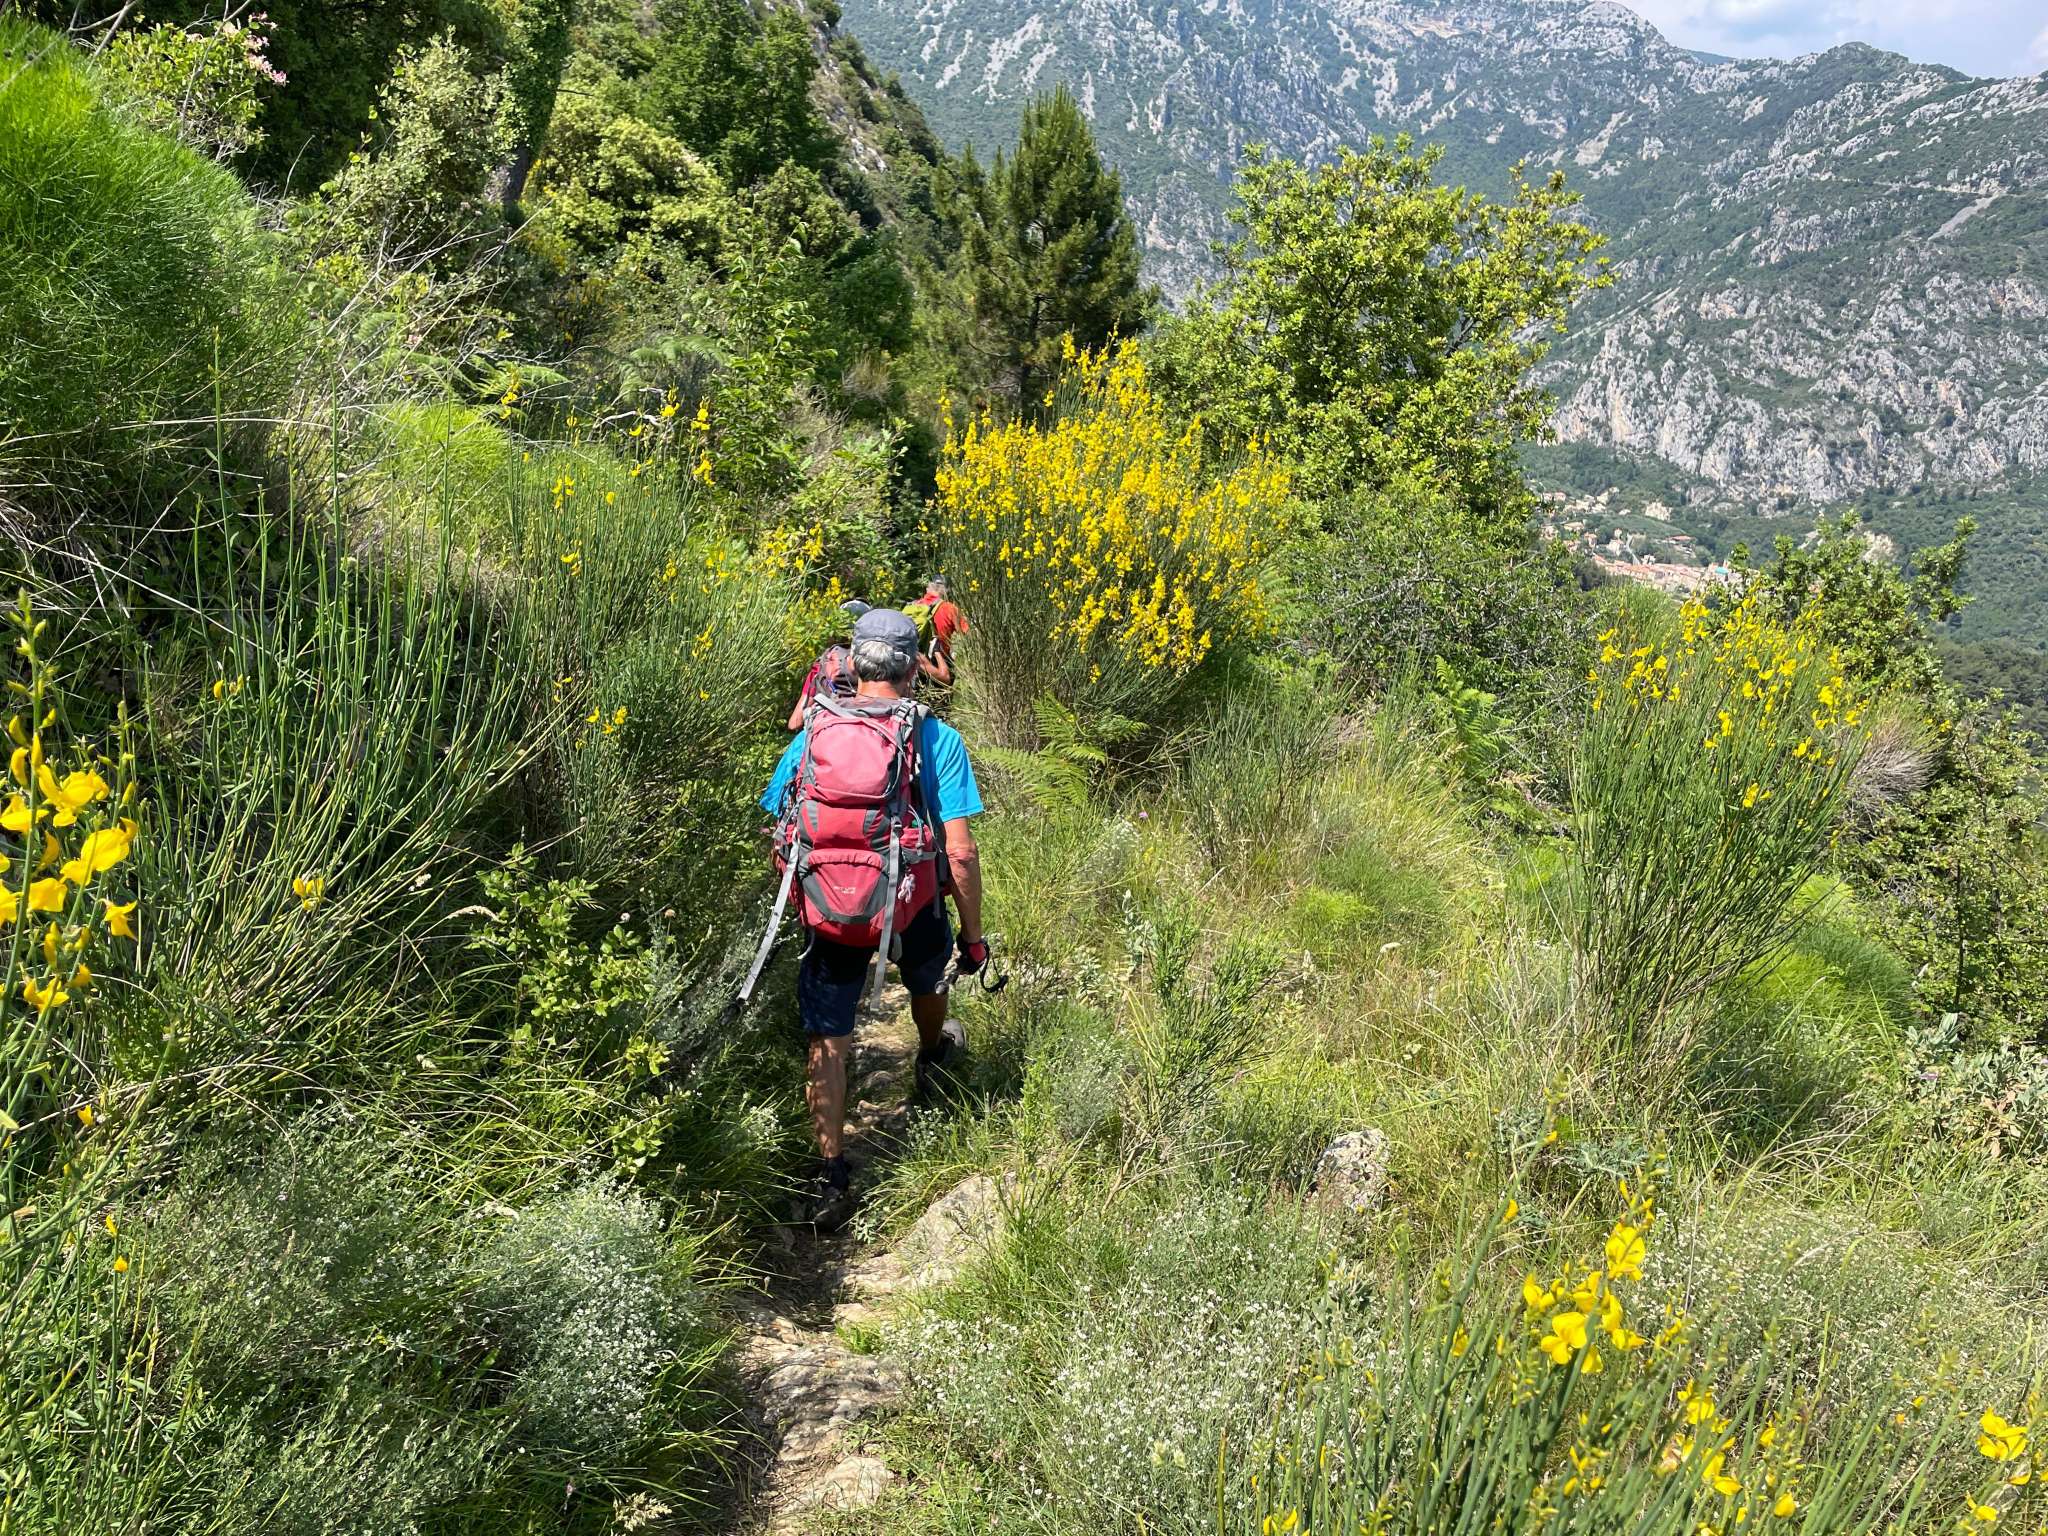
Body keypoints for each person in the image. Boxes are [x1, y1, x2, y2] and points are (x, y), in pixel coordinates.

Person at [759, 607, 991, 1229]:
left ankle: (831, 1173)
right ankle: (932, 1054)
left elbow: (778, 823)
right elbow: (960, 853)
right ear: (914, 669)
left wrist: (809, 893)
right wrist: (973, 939)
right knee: (929, 978)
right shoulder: (938, 739)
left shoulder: (813, 732)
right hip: (911, 899)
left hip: (828, 906)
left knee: (827, 1035)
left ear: (854, 666)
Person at [786, 599, 871, 731]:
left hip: (830, 733)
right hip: (868, 733)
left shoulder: (824, 664)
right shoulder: (879, 664)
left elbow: (795, 723)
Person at [905, 578, 967, 687]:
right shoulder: (949, 608)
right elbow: (967, 634)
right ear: (947, 591)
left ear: (928, 589)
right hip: (939, 662)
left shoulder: (912, 606)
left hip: (914, 659)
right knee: (942, 695)